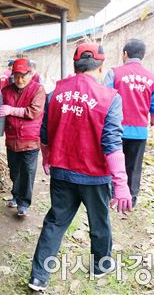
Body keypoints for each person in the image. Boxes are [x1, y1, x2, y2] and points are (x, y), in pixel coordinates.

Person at [28, 43, 132, 292]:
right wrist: (121, 184)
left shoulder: (55, 94)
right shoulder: (110, 97)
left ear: (75, 66)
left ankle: (39, 277)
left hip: (62, 172)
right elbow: (112, 144)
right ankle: (100, 265)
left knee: (55, 222)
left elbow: (44, 134)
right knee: (99, 223)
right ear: (101, 67)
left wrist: (46, 158)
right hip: (94, 177)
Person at [104, 38, 154, 207]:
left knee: (110, 161)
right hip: (139, 131)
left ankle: (110, 196)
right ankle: (131, 199)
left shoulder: (114, 72)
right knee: (134, 166)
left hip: (114, 129)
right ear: (143, 55)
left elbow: (104, 96)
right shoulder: (152, 78)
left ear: (125, 54)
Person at [0, 58, 46, 217]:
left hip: (30, 140)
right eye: (16, 76)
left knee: (27, 171)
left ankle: (24, 203)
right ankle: (15, 194)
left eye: (23, 76)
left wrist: (11, 110)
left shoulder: (38, 90)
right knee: (14, 170)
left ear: (30, 73)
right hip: (12, 138)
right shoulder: (6, 91)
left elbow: (34, 112)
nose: (19, 80)